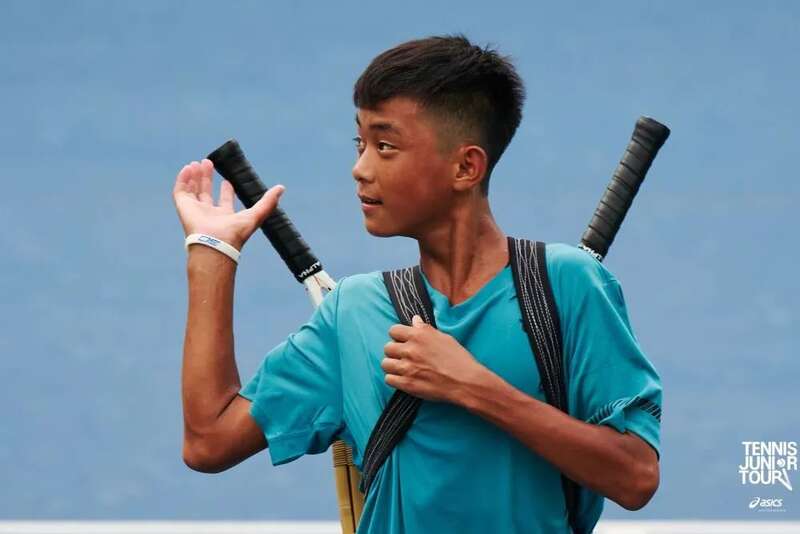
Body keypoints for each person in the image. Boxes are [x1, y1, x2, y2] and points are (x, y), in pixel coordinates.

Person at [173, 34, 662, 533]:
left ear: (466, 167)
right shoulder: (353, 311)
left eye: (385, 146)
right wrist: (213, 253)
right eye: (360, 144)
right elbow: (209, 441)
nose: (360, 169)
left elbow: (636, 476)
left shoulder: (569, 286)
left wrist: (473, 386)